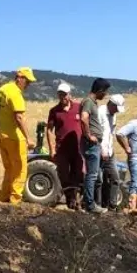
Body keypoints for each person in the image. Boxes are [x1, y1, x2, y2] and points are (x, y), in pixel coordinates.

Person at [0, 67, 35, 205]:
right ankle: (15, 200)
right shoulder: (16, 93)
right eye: (27, 81)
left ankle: (4, 196)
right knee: (20, 169)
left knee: (9, 168)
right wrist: (28, 138)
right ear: (20, 78)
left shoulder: (2, 89)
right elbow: (19, 117)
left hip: (3, 137)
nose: (28, 85)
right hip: (16, 138)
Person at [46, 81, 83, 209]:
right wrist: (51, 149)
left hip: (78, 148)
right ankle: (69, 198)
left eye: (65, 95)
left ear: (69, 94)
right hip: (62, 149)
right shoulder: (54, 111)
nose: (63, 97)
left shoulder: (79, 107)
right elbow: (49, 130)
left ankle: (75, 198)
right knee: (63, 174)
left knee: (77, 174)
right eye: (60, 95)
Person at [79, 78, 111, 213]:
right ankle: (90, 205)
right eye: (105, 92)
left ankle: (89, 202)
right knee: (92, 175)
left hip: (94, 143)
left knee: (93, 174)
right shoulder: (88, 102)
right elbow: (83, 117)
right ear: (100, 90)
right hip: (91, 143)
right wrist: (89, 135)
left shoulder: (92, 103)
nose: (105, 95)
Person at [97, 93, 126, 210]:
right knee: (99, 179)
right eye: (116, 108)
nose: (117, 111)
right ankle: (98, 205)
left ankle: (112, 205)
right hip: (99, 151)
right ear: (111, 104)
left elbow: (110, 134)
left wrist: (110, 149)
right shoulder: (100, 112)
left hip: (110, 152)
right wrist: (101, 150)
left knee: (115, 178)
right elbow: (97, 133)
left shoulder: (113, 115)